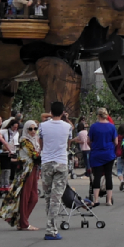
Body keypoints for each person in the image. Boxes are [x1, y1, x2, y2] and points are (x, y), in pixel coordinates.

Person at [38, 102, 74, 240]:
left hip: (46, 162)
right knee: (56, 197)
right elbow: (68, 142)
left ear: (51, 112)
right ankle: (51, 229)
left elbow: (41, 142)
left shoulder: (43, 126)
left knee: (48, 196)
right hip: (61, 162)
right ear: (63, 112)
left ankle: (50, 227)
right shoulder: (68, 127)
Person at [87, 110, 118, 205]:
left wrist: (93, 147)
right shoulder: (112, 127)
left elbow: (88, 141)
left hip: (96, 154)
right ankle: (108, 200)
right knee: (108, 176)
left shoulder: (93, 127)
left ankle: (96, 199)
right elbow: (116, 142)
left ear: (98, 115)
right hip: (109, 154)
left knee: (97, 176)